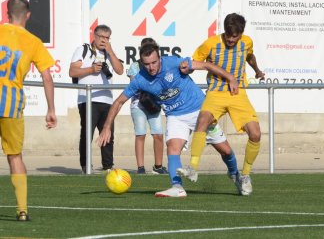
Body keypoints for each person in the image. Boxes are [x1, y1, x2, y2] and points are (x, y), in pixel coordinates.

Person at [97, 41, 242, 197]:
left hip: (200, 111)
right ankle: (177, 187)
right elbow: (118, 102)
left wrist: (230, 78)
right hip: (175, 115)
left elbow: (206, 66)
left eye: (154, 62)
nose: (151, 67)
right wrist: (106, 127)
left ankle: (236, 175)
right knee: (172, 147)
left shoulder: (173, 62)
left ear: (160, 58)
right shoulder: (140, 79)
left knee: (225, 151)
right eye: (146, 64)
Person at [178, 13, 265, 196]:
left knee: (255, 134)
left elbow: (250, 56)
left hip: (237, 93)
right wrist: (188, 67)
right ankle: (193, 168)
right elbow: (196, 61)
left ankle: (246, 176)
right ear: (224, 31)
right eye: (229, 35)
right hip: (216, 92)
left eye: (236, 36)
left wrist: (257, 70)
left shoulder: (246, 42)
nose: (232, 39)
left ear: (241, 33)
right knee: (202, 121)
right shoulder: (210, 44)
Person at [0, 0, 57, 221]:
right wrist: (51, 109)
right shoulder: (33, 42)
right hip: (11, 105)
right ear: (28, 15)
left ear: (6, 13)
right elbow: (47, 77)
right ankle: (22, 210)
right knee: (15, 157)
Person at [69, 24, 124, 173]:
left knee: (108, 133)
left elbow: (119, 71)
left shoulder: (109, 53)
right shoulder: (83, 49)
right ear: (94, 36)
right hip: (88, 99)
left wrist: (111, 51)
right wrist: (91, 69)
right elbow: (72, 71)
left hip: (107, 99)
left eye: (107, 38)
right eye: (101, 37)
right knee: (87, 133)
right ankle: (86, 166)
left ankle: (108, 165)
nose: (104, 41)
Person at [127, 38, 167, 174]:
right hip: (138, 103)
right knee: (140, 134)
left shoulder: (161, 65)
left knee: (158, 134)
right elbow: (134, 85)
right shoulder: (135, 66)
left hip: (154, 103)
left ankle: (158, 166)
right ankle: (140, 167)